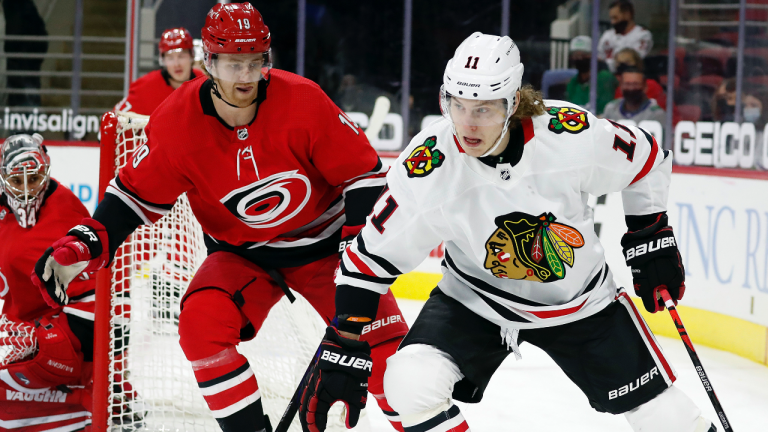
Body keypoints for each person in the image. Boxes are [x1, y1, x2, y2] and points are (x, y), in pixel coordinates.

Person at [299, 32, 717, 432]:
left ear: (514, 101)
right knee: (410, 381)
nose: (467, 123)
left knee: (667, 419)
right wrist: (346, 340)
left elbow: (647, 159)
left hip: (581, 305)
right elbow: (368, 257)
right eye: (456, 104)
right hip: (476, 301)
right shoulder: (429, 165)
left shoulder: (569, 136)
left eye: (483, 108)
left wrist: (650, 232)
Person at [31, 4, 408, 432]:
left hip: (326, 251)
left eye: (254, 63)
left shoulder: (303, 98)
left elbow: (364, 175)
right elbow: (133, 195)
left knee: (395, 365)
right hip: (242, 257)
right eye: (233, 64)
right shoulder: (176, 120)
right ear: (208, 62)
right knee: (200, 324)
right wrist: (88, 241)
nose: (245, 77)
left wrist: (353, 255)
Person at [0, 134, 95, 432]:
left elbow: (94, 310)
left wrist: (39, 338)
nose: (27, 191)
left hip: (54, 342)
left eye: (35, 178)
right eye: (17, 181)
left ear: (48, 170)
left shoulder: (68, 216)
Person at [114, 27, 204, 115]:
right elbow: (114, 118)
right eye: (170, 58)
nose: (176, 64)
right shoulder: (146, 87)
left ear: (192, 56)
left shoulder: (204, 83)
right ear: (163, 60)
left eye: (181, 56)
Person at [565, 35, 617, 115]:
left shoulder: (604, 78)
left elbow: (606, 112)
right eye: (575, 55)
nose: (579, 58)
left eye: (583, 55)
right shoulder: (573, 83)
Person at [598, 0, 653, 72]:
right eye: (611, 18)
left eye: (615, 18)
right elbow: (598, 58)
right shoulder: (607, 35)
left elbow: (633, 60)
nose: (612, 22)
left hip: (630, 75)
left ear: (627, 14)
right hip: (608, 76)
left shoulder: (643, 35)